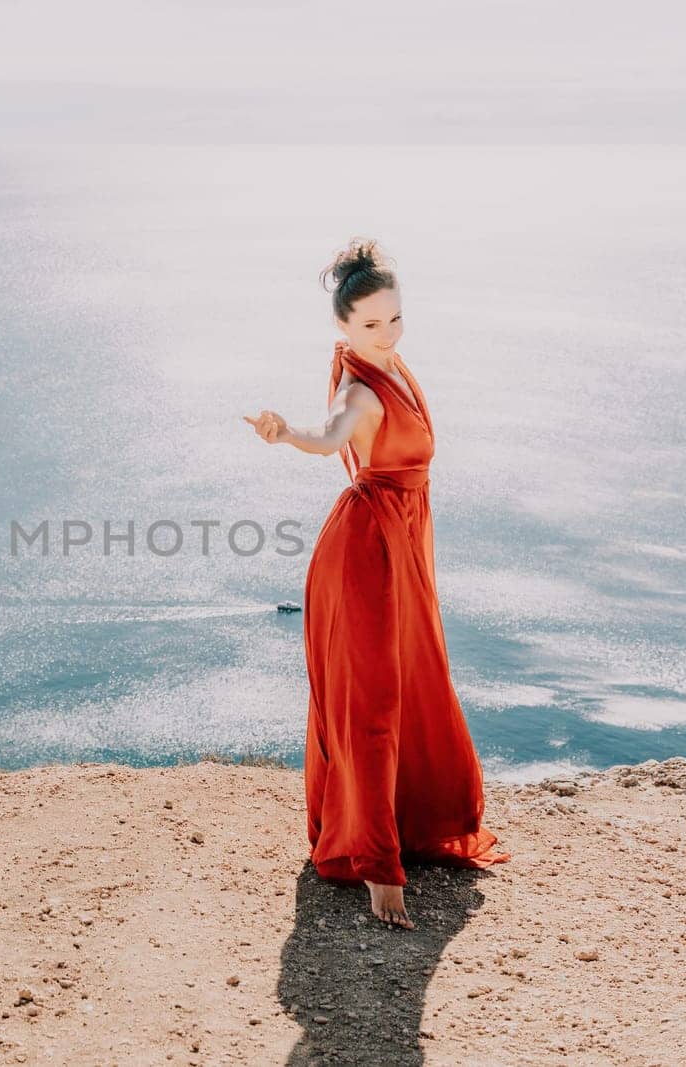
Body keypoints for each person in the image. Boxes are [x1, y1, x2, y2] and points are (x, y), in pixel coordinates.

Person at [241, 238, 510, 930]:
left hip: (401, 540)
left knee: (414, 681)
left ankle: (408, 823)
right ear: (343, 328)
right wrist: (283, 433)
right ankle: (374, 864)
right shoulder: (361, 387)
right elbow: (331, 437)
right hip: (367, 552)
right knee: (374, 698)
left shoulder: (391, 363)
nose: (386, 332)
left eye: (394, 318)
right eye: (370, 324)